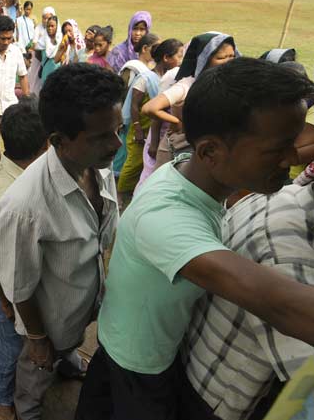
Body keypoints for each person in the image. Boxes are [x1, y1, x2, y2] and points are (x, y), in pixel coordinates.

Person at [76, 58, 314, 420]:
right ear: (210, 152)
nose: (293, 158)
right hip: (138, 367)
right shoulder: (167, 220)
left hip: (137, 346)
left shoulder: (188, 173)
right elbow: (282, 304)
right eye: (277, 149)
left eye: (293, 142)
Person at [0, 64, 123, 420]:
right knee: (35, 375)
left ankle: (66, 360)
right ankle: (28, 409)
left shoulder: (97, 165)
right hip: (49, 324)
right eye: (101, 136)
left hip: (80, 309)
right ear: (58, 141)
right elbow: (19, 287)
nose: (117, 144)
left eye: (119, 129)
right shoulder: (24, 207)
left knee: (67, 348)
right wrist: (37, 340)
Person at [181, 178, 314, 420]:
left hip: (199, 365)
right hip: (218, 396)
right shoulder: (285, 253)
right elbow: (305, 374)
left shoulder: (283, 192)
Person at [0, 99, 48, 420]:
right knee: (11, 346)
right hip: (8, 291)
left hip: (30, 282)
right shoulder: (1, 202)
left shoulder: (32, 173)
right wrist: (6, 304)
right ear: (45, 144)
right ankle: (2, 399)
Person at [141, 32, 239, 169]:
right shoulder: (188, 85)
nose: (229, 61)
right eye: (221, 57)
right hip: (177, 155)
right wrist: (177, 122)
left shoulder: (229, 87)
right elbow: (149, 108)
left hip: (206, 158)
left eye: (232, 56)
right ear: (204, 60)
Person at [115, 33, 161, 207]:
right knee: (129, 159)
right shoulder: (135, 68)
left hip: (148, 125)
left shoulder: (152, 71)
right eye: (155, 48)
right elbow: (128, 99)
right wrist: (134, 125)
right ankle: (119, 192)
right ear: (145, 48)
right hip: (133, 123)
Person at [135, 38, 184, 191]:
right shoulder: (172, 76)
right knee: (150, 177)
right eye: (179, 56)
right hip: (160, 135)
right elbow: (155, 112)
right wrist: (155, 142)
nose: (181, 60)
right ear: (166, 58)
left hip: (169, 137)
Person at [0, 16, 30, 163]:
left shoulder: (15, 52)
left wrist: (27, 101)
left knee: (15, 146)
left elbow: (23, 76)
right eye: (3, 38)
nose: (6, 42)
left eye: (9, 38)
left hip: (11, 108)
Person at [28, 6, 55, 95]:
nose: (46, 20)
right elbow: (35, 45)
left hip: (51, 62)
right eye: (44, 18)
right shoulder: (38, 29)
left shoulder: (56, 30)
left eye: (48, 18)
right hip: (38, 60)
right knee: (36, 81)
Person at [36, 15, 61, 86]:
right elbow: (37, 54)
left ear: (57, 27)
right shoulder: (42, 41)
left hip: (58, 73)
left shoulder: (61, 41)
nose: (50, 28)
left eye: (52, 26)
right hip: (46, 73)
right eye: (48, 26)